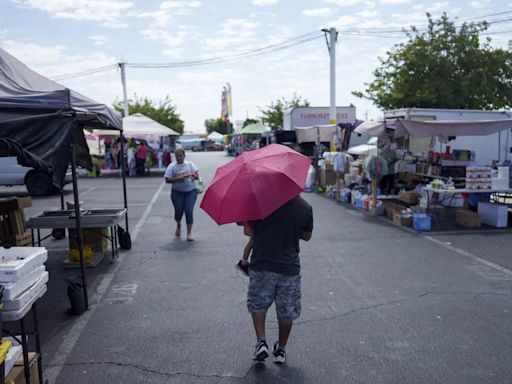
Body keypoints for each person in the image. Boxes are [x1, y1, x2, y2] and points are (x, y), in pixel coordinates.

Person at [243, 195, 313, 364]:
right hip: (288, 267)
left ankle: (261, 342)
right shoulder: (304, 207)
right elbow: (307, 236)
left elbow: (248, 231)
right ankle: (280, 349)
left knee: (258, 304)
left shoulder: (258, 202)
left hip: (261, 263)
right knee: (287, 310)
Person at [164, 148, 199, 241]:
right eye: (177, 156)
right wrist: (179, 178)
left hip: (190, 192)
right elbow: (167, 180)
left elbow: (197, 176)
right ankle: (178, 225)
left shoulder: (190, 164)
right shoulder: (172, 166)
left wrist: (192, 175)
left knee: (188, 211)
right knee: (178, 212)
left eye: (180, 156)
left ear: (184, 156)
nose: (179, 158)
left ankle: (189, 233)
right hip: (177, 193)